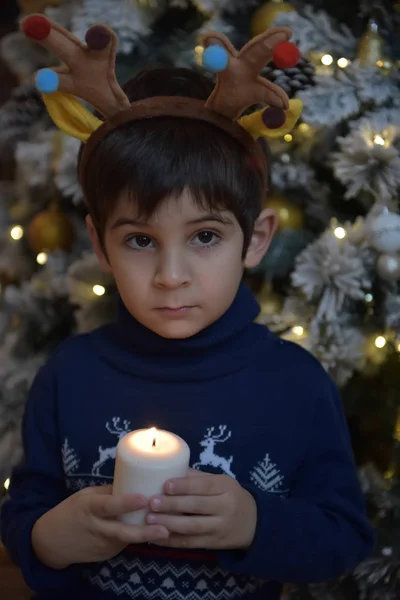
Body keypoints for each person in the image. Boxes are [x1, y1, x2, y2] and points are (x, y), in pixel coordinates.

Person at [1, 14, 374, 600]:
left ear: (254, 239)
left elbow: (343, 538)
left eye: (204, 236)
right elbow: (24, 513)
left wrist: (256, 523)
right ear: (100, 245)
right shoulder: (69, 376)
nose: (171, 277)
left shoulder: (295, 385)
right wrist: (49, 537)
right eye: (140, 241)